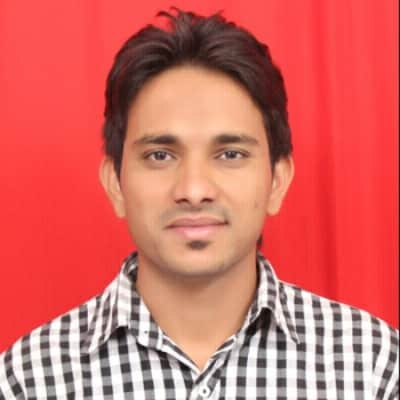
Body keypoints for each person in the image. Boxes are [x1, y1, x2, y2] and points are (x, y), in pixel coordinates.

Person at [0, 8, 398, 400]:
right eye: (160, 155)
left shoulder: (375, 369)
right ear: (115, 183)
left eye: (230, 154)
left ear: (277, 180)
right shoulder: (27, 382)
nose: (193, 190)